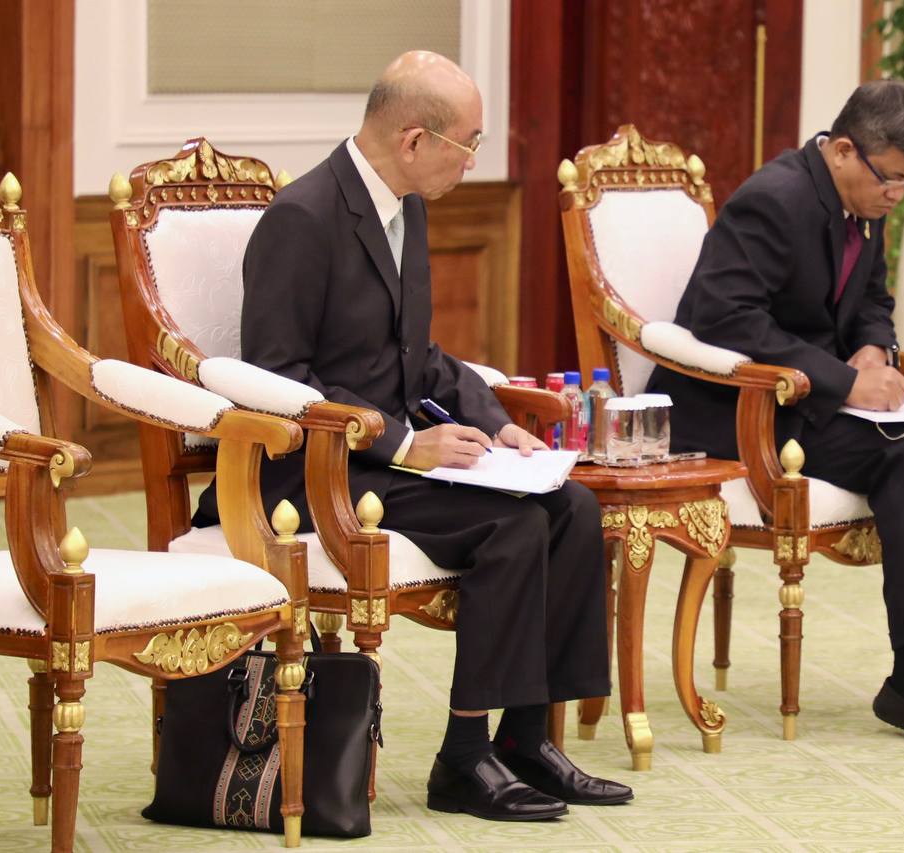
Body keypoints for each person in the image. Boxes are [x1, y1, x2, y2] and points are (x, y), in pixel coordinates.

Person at [195, 51, 631, 819]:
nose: (473, 160)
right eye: (470, 142)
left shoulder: (408, 209)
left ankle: (526, 739)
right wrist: (403, 444)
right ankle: (464, 756)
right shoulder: (303, 219)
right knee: (512, 525)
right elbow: (279, 377)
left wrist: (498, 423)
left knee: (573, 507)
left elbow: (418, 357)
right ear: (414, 140)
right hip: (316, 469)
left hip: (387, 462)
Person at [646, 80, 904, 749]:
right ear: (842, 151)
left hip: (809, 399)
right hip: (737, 409)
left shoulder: (865, 196)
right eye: (893, 177)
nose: (898, 194)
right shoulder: (774, 200)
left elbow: (873, 299)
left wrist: (874, 348)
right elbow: (723, 318)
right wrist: (845, 382)